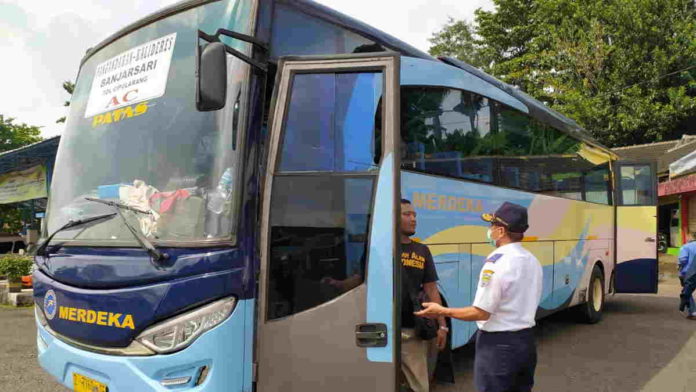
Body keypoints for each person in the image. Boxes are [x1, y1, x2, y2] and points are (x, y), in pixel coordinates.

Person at [416, 202, 542, 392]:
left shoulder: (496, 263)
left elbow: (481, 312)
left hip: (499, 346)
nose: (489, 230)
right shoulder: (532, 260)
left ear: (500, 231)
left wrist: (441, 311)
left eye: (491, 226)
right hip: (526, 343)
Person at [400, 199, 448, 392]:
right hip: (382, 331)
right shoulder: (378, 248)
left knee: (419, 386)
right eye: (407, 214)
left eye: (415, 215)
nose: (413, 219)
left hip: (411, 331)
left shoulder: (422, 250)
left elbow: (431, 290)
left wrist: (442, 325)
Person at [678, 232, 696, 319]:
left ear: (690, 237)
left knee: (687, 292)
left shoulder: (686, 247)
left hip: (689, 273)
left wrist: (679, 267)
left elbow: (683, 260)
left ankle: (693, 312)